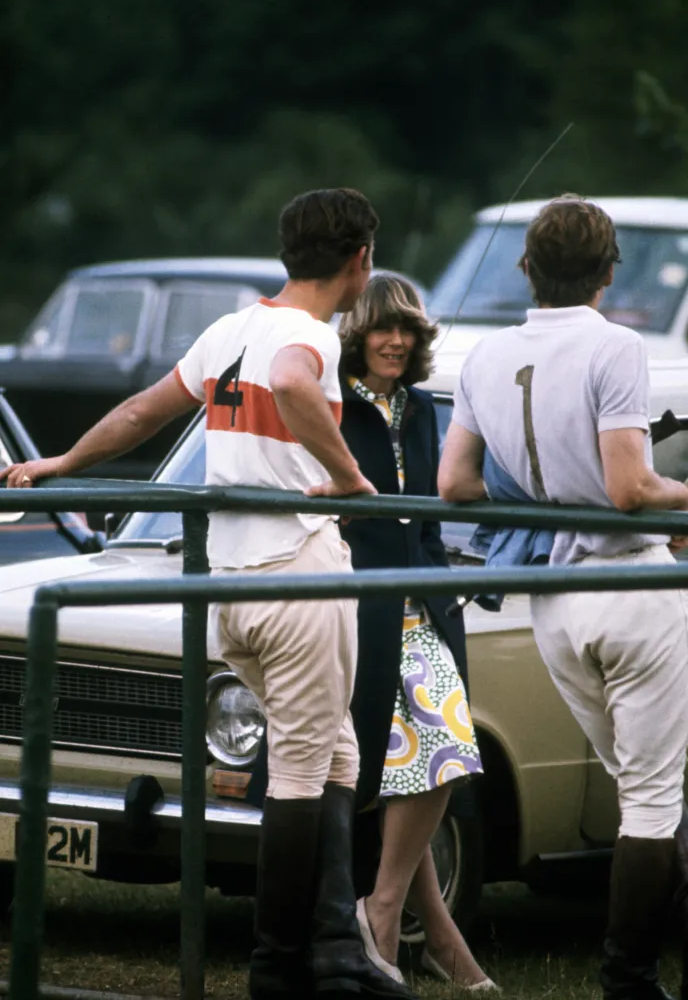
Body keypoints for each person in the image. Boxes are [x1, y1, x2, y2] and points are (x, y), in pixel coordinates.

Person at [2, 188, 417, 1000]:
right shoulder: (310, 339)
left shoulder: (231, 329)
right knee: (301, 764)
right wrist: (349, 476)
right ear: (360, 262)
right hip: (297, 570)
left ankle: (338, 947)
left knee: (336, 748)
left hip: (229, 582)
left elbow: (139, 411)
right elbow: (297, 385)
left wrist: (59, 464)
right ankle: (278, 965)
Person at [438, 193, 688, 1000]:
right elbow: (628, 487)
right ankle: (629, 979)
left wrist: (541, 489)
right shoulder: (614, 347)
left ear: (526, 269)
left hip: (555, 603)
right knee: (651, 803)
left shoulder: (482, 357)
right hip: (630, 584)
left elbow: (456, 484)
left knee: (643, 791)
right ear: (608, 272)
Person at [334, 274, 498, 992]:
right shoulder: (333, 403)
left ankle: (387, 912)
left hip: (422, 604)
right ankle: (428, 933)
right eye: (382, 328)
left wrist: (440, 593)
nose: (396, 341)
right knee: (425, 756)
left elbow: (430, 517)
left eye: (407, 329)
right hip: (358, 605)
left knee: (441, 750)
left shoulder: (424, 407)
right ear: (357, 334)